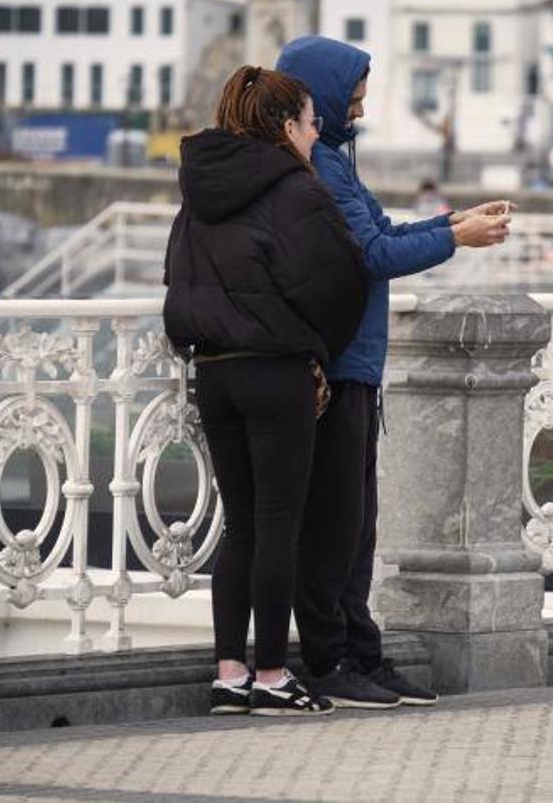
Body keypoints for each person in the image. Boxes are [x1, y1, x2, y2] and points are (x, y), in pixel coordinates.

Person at [277, 36, 513, 709]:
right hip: (336, 368)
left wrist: (449, 222)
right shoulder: (317, 165)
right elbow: (372, 253)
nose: (362, 98)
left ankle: (362, 653)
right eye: (354, 87)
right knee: (332, 530)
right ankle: (330, 662)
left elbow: (379, 232)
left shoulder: (334, 160)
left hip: (357, 368)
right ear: (321, 91)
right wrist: (454, 239)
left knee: (356, 529)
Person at [162, 65, 368, 716]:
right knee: (281, 524)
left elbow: (181, 278)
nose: (315, 137)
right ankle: (274, 675)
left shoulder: (199, 190)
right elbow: (340, 283)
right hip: (275, 372)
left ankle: (230, 674)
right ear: (286, 126)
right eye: (311, 124)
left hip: (214, 370)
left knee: (242, 526)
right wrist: (314, 349)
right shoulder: (294, 190)